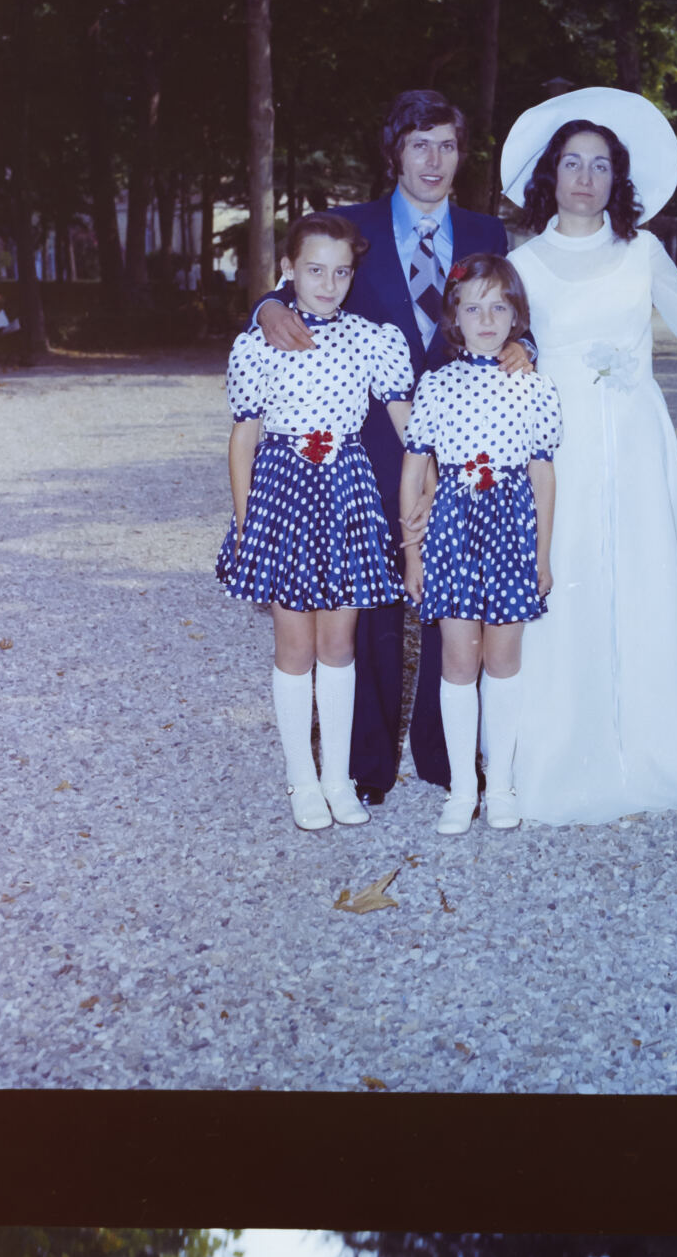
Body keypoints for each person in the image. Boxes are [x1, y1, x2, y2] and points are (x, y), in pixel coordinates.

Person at [251, 90, 529, 803]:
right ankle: (364, 764)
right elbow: (297, 283)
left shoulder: (486, 231)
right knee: (366, 609)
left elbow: (508, 308)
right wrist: (267, 305)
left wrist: (523, 344)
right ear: (395, 153)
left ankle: (443, 758)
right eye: (419, 145)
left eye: (447, 145)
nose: (433, 160)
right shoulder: (355, 225)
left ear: (461, 156)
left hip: (465, 450)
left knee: (451, 595)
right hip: (368, 447)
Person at [499, 86, 677, 825]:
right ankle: (559, 750)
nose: (585, 177)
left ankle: (659, 744)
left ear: (617, 179)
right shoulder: (523, 263)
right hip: (557, 447)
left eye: (600, 165)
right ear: (551, 174)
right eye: (572, 162)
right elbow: (494, 336)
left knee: (644, 576)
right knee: (564, 572)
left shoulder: (642, 251)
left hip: (635, 442)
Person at [216, 214, 414, 831]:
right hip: (283, 493)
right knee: (295, 646)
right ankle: (301, 779)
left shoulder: (371, 340)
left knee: (338, 644)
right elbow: (243, 437)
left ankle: (337, 778)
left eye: (341, 272)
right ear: (289, 271)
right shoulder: (261, 342)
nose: (328, 284)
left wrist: (429, 489)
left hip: (347, 492)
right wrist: (246, 524)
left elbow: (409, 425)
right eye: (315, 270)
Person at [400, 255, 562, 836]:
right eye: (474, 308)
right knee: (459, 659)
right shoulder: (437, 385)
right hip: (453, 529)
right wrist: (412, 551)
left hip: (511, 529)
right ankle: (463, 788)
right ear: (455, 318)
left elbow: (543, 475)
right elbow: (414, 468)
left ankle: (503, 783)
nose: (487, 319)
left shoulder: (535, 386)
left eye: (499, 307)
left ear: (517, 316)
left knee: (503, 658)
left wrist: (542, 554)